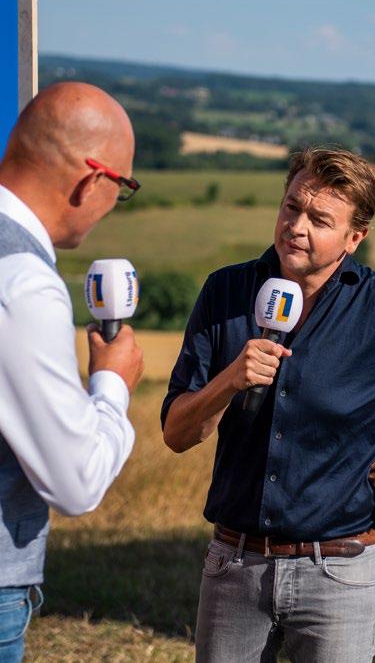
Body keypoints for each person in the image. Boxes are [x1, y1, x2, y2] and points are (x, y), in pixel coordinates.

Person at [162, 146, 375, 663]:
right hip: (233, 564)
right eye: (291, 207)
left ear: (355, 238)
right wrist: (228, 381)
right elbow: (177, 434)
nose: (297, 227)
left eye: (319, 219)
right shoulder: (226, 291)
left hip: (338, 572)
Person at [0, 82, 144, 661]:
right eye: (124, 187)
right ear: (94, 178)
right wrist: (111, 384)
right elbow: (75, 481)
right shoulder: (23, 281)